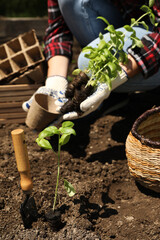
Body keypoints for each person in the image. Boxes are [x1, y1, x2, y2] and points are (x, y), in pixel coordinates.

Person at [22, 0, 160, 122]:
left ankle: (125, 87)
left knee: (86, 61)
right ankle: (112, 96)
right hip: (125, 28)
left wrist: (118, 76)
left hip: (153, 38)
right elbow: (58, 30)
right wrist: (55, 82)